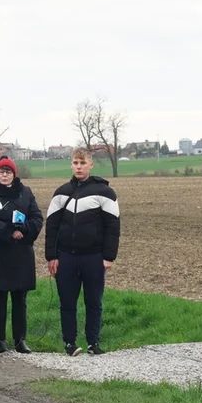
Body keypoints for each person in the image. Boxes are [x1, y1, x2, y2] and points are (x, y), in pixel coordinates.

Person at [45, 147, 120, 356]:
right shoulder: (61, 193)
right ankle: (70, 343)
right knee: (67, 302)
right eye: (75, 163)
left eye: (83, 163)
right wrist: (52, 256)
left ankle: (93, 343)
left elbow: (113, 228)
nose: (79, 167)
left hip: (94, 257)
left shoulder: (105, 193)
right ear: (71, 165)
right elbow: (51, 227)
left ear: (91, 165)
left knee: (94, 302)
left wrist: (108, 257)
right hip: (66, 256)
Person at [0, 156, 44, 353]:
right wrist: (8, 232)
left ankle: (20, 339)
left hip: (22, 251)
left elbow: (37, 217)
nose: (4, 175)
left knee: (19, 299)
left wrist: (26, 229)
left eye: (8, 172)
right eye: (1, 172)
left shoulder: (26, 192)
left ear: (14, 175)